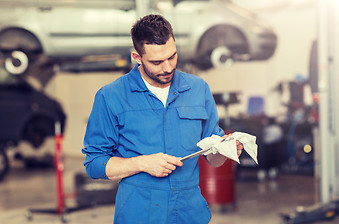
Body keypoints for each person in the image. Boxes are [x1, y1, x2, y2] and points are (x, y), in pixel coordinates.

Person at [82, 14, 243, 223]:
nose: (167, 68)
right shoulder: (111, 96)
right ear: (137, 57)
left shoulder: (197, 89)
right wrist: (142, 163)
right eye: (157, 62)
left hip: (189, 213)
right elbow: (94, 163)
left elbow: (212, 157)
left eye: (172, 57)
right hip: (139, 213)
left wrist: (225, 150)